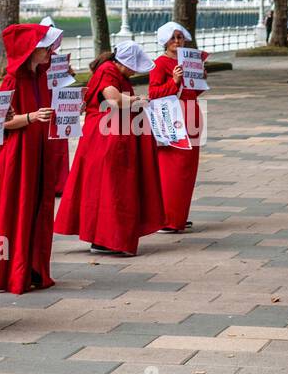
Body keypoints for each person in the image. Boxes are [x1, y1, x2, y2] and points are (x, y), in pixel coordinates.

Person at [56, 41, 164, 257]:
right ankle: (110, 237)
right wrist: (138, 100)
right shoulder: (108, 71)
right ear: (125, 63)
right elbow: (114, 100)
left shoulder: (110, 70)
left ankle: (102, 237)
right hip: (108, 137)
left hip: (107, 134)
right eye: (133, 67)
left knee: (104, 187)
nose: (134, 72)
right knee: (115, 187)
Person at [0, 22, 61, 293]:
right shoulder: (12, 81)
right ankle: (6, 270)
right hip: (16, 156)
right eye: (44, 47)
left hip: (37, 151)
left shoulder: (40, 77)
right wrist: (30, 118)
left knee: (36, 209)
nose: (50, 51)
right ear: (31, 51)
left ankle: (32, 266)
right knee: (13, 210)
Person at [148, 21, 204, 234]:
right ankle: (168, 218)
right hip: (171, 118)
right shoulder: (160, 63)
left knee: (188, 169)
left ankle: (180, 215)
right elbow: (154, 93)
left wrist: (199, 80)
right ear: (165, 41)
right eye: (173, 38)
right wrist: (174, 81)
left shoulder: (187, 61)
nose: (177, 41)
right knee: (172, 170)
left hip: (192, 114)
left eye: (180, 37)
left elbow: (192, 92)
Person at [39, 16, 72, 196]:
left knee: (59, 143)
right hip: (44, 101)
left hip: (57, 102)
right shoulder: (37, 59)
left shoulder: (57, 59)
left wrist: (67, 73)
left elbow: (61, 83)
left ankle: (59, 182)